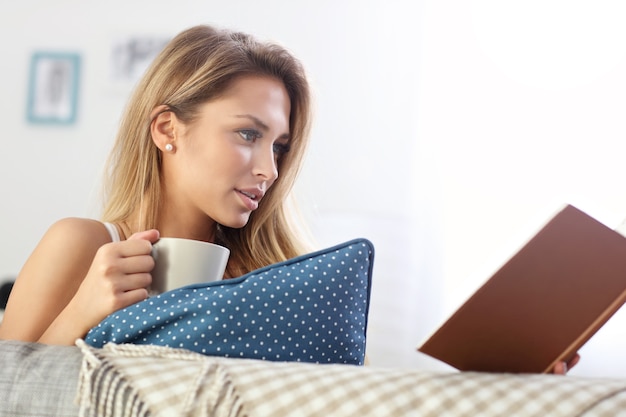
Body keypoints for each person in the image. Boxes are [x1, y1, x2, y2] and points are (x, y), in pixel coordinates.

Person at [0, 24, 312, 346]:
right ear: (167, 130)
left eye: (279, 147)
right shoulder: (82, 246)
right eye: (248, 134)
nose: (270, 170)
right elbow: (10, 389)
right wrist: (81, 312)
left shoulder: (265, 279)